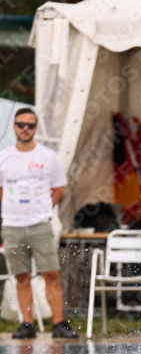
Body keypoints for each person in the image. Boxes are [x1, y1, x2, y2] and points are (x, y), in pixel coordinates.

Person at [0, 108, 78, 339]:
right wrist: (13, 206)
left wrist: (44, 205)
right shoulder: (4, 156)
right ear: (14, 126)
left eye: (30, 125)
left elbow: (60, 188)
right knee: (21, 276)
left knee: (50, 273)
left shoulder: (48, 156)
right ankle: (27, 324)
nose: (25, 129)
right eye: (21, 125)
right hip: (12, 225)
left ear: (35, 128)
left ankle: (59, 323)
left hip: (40, 224)